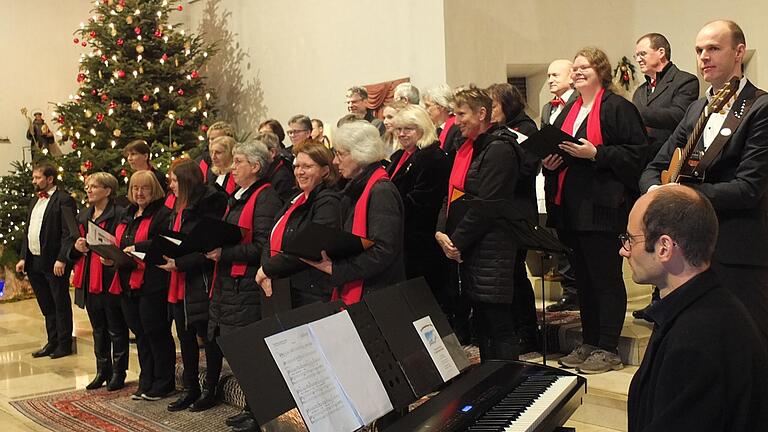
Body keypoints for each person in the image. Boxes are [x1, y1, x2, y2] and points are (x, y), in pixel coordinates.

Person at [640, 20, 768, 346]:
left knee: (746, 345)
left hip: (736, 248)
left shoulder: (760, 107)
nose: (704, 57)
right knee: (696, 344)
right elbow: (654, 168)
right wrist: (658, 192)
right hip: (689, 252)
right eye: (699, 50)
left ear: (739, 51)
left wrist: (680, 197)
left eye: (713, 48)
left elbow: (748, 188)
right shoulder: (698, 108)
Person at [623, 185, 768, 431]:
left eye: (629, 239)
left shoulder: (698, 339)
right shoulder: (701, 308)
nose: (623, 250)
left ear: (664, 248)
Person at [544, 48, 647, 374]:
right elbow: (557, 146)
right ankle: (589, 341)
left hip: (604, 207)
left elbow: (636, 156)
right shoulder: (570, 109)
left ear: (600, 71)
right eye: (574, 68)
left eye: (583, 67)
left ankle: (608, 346)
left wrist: (596, 154)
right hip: (572, 207)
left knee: (605, 279)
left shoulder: (618, 108)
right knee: (583, 280)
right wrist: (549, 162)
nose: (576, 72)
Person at [434, 86, 525, 361]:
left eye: (461, 114)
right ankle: (491, 378)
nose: (456, 120)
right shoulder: (470, 148)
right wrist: (441, 231)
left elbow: (487, 204)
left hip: (492, 245)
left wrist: (457, 240)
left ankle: (508, 381)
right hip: (472, 245)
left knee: (497, 323)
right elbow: (451, 195)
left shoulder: (499, 149)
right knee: (483, 323)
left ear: (482, 113)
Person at [205, 141, 282, 432]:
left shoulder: (265, 199)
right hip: (229, 284)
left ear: (256, 166)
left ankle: (258, 411)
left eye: (238, 161)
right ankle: (251, 406)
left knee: (252, 352)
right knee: (240, 353)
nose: (232, 167)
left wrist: (225, 253)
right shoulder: (238, 196)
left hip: (246, 286)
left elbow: (263, 247)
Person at [630, 33, 699, 320]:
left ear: (661, 52)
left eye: (643, 53)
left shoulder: (684, 81)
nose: (639, 59)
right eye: (636, 56)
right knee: (652, 236)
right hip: (648, 166)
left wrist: (636, 114)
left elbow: (678, 116)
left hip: (672, 163)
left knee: (672, 237)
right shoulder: (640, 90)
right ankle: (656, 296)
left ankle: (671, 296)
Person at [302, 122, 405, 302]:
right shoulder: (357, 187)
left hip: (376, 294)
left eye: (340, 154)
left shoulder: (381, 191)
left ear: (361, 154)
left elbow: (384, 250)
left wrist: (339, 270)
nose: (334, 161)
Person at [158, 159, 228, 412]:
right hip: (179, 281)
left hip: (199, 280)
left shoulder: (208, 205)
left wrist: (180, 263)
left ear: (186, 181)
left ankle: (210, 388)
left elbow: (207, 247)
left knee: (207, 337)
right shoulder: (178, 206)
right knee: (185, 337)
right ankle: (190, 388)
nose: (170, 185)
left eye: (174, 180)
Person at [110, 170, 174, 400]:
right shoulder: (127, 213)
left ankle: (164, 382)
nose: (139, 192)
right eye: (135, 188)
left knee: (156, 332)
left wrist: (139, 248)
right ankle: (146, 380)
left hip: (152, 282)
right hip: (128, 281)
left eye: (144, 188)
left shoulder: (163, 213)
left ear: (154, 189)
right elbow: (118, 240)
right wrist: (111, 255)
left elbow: (163, 244)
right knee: (140, 333)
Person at [487, 82, 541, 353]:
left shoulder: (526, 128)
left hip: (518, 211)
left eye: (493, 106)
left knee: (516, 275)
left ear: (507, 105)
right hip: (502, 212)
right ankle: (513, 329)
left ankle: (528, 332)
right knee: (509, 275)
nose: (489, 111)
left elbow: (529, 168)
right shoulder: (495, 131)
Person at [257, 142, 342, 306]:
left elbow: (311, 246)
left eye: (307, 166)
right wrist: (266, 268)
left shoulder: (328, 201)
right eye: (297, 166)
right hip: (284, 286)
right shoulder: (296, 198)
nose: (299, 172)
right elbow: (271, 236)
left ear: (325, 170)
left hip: (311, 292)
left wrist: (268, 269)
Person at [70, 172, 129, 390]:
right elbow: (70, 244)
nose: (89, 190)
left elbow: (123, 244)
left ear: (108, 191)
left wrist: (110, 255)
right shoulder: (83, 215)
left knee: (116, 328)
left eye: (94, 186)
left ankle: (118, 372)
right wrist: (76, 247)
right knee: (98, 329)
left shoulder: (120, 214)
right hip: (89, 278)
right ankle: (102, 370)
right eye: (87, 186)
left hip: (109, 277)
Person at [387, 105, 450, 299]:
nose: (402, 134)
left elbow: (423, 201)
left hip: (421, 241)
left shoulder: (433, 157)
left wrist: (387, 211)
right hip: (401, 237)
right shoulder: (398, 156)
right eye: (399, 129)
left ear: (422, 128)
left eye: (408, 129)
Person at [16, 162, 77, 359]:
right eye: (34, 178)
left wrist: (62, 258)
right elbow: (29, 231)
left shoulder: (64, 199)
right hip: (34, 260)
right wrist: (23, 257)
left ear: (50, 179)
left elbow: (69, 232)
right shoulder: (35, 201)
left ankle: (65, 343)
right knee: (46, 303)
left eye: (37, 178)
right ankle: (52, 341)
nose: (34, 181)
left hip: (54, 261)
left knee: (60, 302)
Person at [541, 59, 580, 313]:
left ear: (571, 77)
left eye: (556, 74)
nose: (550, 79)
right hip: (553, 176)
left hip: (575, 177)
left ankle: (577, 290)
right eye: (548, 75)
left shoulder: (579, 103)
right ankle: (568, 288)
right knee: (560, 236)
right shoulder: (547, 108)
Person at [257, 131, 297, 202]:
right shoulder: (265, 171)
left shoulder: (283, 177)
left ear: (272, 152)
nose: (255, 157)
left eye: (259, 152)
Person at [423, 84, 462, 157]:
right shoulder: (435, 129)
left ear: (441, 106)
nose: (425, 110)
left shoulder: (456, 128)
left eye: (428, 106)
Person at [541, 59, 579, 127]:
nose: (550, 81)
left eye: (555, 75)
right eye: (549, 76)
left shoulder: (581, 102)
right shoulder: (546, 108)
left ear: (571, 78)